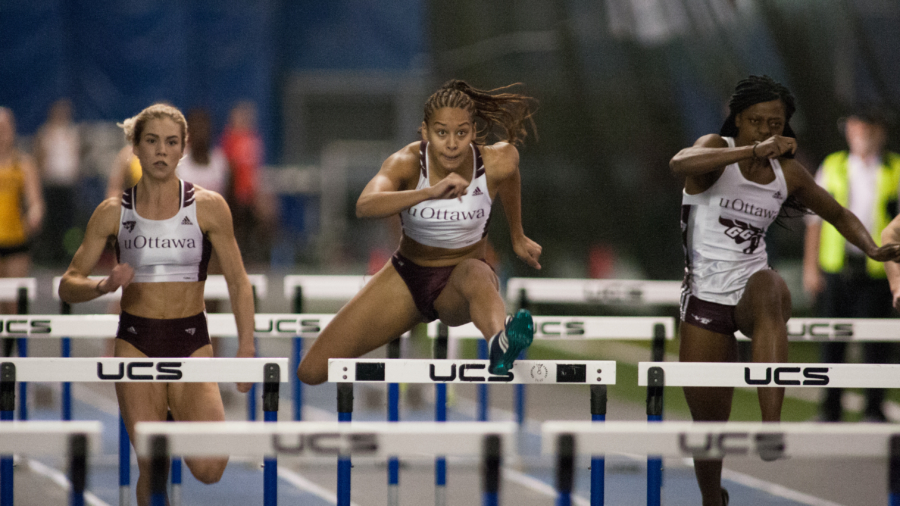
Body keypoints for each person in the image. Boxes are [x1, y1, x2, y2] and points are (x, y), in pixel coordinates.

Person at [669, 75, 900, 506]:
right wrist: (751, 150)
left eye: (776, 123)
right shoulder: (716, 149)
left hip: (751, 291)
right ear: (738, 119)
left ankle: (770, 426)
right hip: (704, 298)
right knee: (709, 426)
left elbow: (839, 213)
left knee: (771, 286)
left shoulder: (787, 172)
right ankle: (710, 498)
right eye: (757, 121)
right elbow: (679, 165)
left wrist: (872, 248)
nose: (766, 130)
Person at [58, 103, 256, 506]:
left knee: (210, 466)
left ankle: (170, 413)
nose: (161, 151)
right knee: (152, 467)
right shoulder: (113, 212)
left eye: (170, 143)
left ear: (182, 150)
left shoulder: (208, 206)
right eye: (152, 141)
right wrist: (102, 285)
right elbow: (67, 285)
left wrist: (247, 345)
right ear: (135, 147)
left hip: (191, 340)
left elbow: (238, 280)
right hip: (136, 341)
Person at [297, 80, 542, 386]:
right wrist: (428, 194)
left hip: (459, 281)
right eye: (441, 133)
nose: (451, 144)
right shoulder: (406, 163)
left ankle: (499, 343)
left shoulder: (497, 160)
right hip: (407, 277)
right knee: (311, 371)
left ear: (473, 132)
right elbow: (366, 205)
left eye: (461, 133)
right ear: (425, 132)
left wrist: (518, 236)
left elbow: (511, 176)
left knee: (477, 274)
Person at [803, 105, 899, 422]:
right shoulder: (833, 165)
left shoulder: (895, 168)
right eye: (858, 126)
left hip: (878, 270)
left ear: (881, 131)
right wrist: (811, 267)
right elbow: (813, 221)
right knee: (832, 341)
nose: (864, 133)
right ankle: (830, 408)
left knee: (876, 343)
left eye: (870, 126)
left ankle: (874, 408)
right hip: (837, 267)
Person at [0, 107, 44, 355]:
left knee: (12, 302)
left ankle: (11, 356)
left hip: (15, 241)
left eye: (4, 129)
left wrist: (35, 214)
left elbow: (35, 200)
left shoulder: (22, 163)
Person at [34, 98, 81, 265]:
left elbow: (76, 157)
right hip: (51, 183)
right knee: (51, 220)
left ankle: (66, 252)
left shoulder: (72, 133)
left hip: (67, 184)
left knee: (67, 220)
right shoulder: (45, 133)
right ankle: (50, 253)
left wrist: (76, 176)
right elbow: (39, 157)